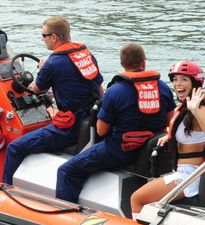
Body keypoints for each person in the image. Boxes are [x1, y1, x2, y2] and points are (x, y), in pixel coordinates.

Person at [55, 43, 174, 203]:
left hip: (119, 150)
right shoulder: (163, 87)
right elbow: (170, 122)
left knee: (67, 171)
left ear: (122, 64)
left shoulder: (115, 91)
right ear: (144, 63)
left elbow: (101, 131)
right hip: (150, 148)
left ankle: (66, 212)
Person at [1, 16, 104, 184]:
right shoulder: (86, 54)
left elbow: (35, 90)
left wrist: (42, 69)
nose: (43, 39)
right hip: (93, 117)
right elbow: (100, 90)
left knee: (14, 148)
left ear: (54, 37)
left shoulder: (53, 63)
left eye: (43, 35)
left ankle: (6, 190)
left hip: (71, 126)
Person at [129, 61, 205, 218]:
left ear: (195, 83)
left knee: (136, 199)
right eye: (175, 79)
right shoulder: (187, 107)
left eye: (184, 79)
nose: (178, 84)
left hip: (189, 175)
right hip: (185, 171)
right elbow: (190, 133)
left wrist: (195, 111)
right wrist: (170, 137)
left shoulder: (198, 108)